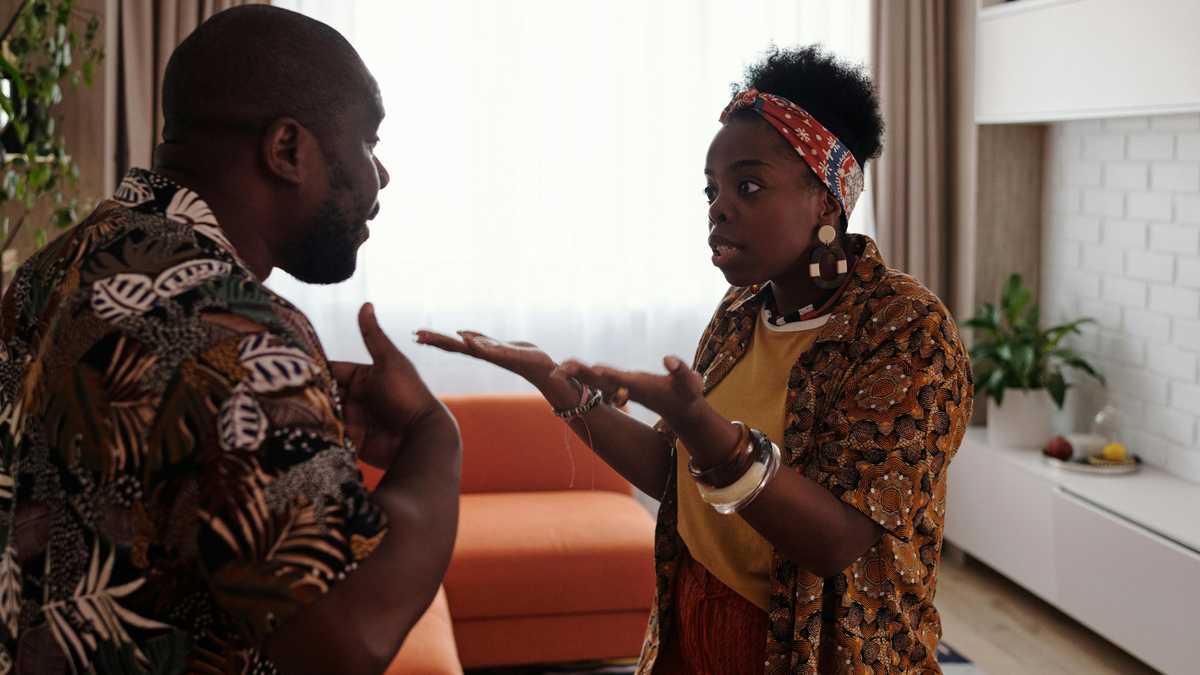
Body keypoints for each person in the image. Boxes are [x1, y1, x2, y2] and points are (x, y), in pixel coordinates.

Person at [420, 45, 971, 674]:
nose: (718, 207)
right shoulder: (742, 310)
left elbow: (835, 541)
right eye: (712, 189)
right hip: (692, 631)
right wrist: (555, 383)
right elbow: (674, 473)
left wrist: (701, 426)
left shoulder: (905, 329)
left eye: (748, 185)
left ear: (826, 199)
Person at [0, 6, 460, 673]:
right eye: (369, 143)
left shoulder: (54, 268)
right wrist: (433, 437)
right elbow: (348, 637)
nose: (380, 175)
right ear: (287, 150)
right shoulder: (240, 330)